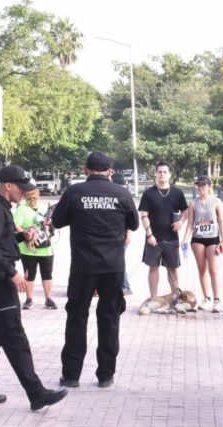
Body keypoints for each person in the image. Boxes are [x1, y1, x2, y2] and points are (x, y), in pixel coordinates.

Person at [0, 165, 67, 411]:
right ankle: (36, 393)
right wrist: (11, 272)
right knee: (14, 336)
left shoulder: (2, 208)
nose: (24, 193)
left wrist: (20, 237)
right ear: (7, 186)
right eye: (21, 189)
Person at [52, 152, 139, 388]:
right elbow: (134, 224)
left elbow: (57, 221)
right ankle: (105, 375)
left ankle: (71, 376)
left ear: (85, 169)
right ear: (110, 171)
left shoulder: (74, 192)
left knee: (77, 318)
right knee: (109, 318)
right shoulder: (122, 193)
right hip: (113, 267)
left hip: (83, 267)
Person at [138, 162, 189, 298]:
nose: (162, 174)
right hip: (153, 238)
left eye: (165, 172)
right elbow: (144, 215)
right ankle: (153, 298)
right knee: (153, 268)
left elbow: (186, 211)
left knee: (172, 269)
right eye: (159, 172)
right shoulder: (148, 193)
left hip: (171, 238)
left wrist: (181, 222)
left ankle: (175, 298)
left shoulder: (177, 193)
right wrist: (149, 235)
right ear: (155, 173)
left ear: (170, 174)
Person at [182, 175, 223, 312]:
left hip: (213, 238)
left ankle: (217, 300)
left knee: (214, 269)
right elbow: (190, 224)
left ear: (209, 186)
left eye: (203, 185)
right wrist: (184, 239)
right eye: (199, 185)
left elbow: (221, 222)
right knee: (202, 270)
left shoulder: (216, 202)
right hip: (198, 238)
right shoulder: (193, 203)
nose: (201, 188)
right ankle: (206, 298)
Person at [14, 187, 57, 310]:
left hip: (46, 248)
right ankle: (29, 299)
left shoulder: (44, 208)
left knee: (47, 274)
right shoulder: (21, 209)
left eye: (34, 198)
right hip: (28, 249)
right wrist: (27, 234)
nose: (32, 200)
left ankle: (48, 299)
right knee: (30, 275)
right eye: (29, 198)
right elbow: (17, 225)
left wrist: (49, 222)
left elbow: (52, 222)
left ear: (38, 197)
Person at [111, 172, 133, 295]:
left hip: (121, 234)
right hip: (120, 233)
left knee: (118, 261)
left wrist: (128, 234)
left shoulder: (123, 194)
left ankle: (125, 286)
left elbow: (129, 218)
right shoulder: (124, 193)